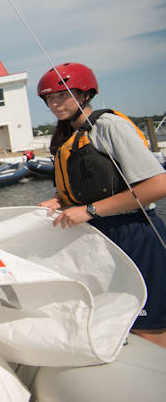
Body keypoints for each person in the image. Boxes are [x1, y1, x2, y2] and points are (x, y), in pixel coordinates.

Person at [36, 62, 166, 348]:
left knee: (149, 326)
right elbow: (89, 185)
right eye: (49, 99)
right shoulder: (68, 136)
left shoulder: (109, 127)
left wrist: (89, 211)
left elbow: (158, 185)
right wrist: (59, 200)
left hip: (134, 233)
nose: (55, 103)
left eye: (63, 95)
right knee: (114, 322)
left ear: (85, 94)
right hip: (98, 239)